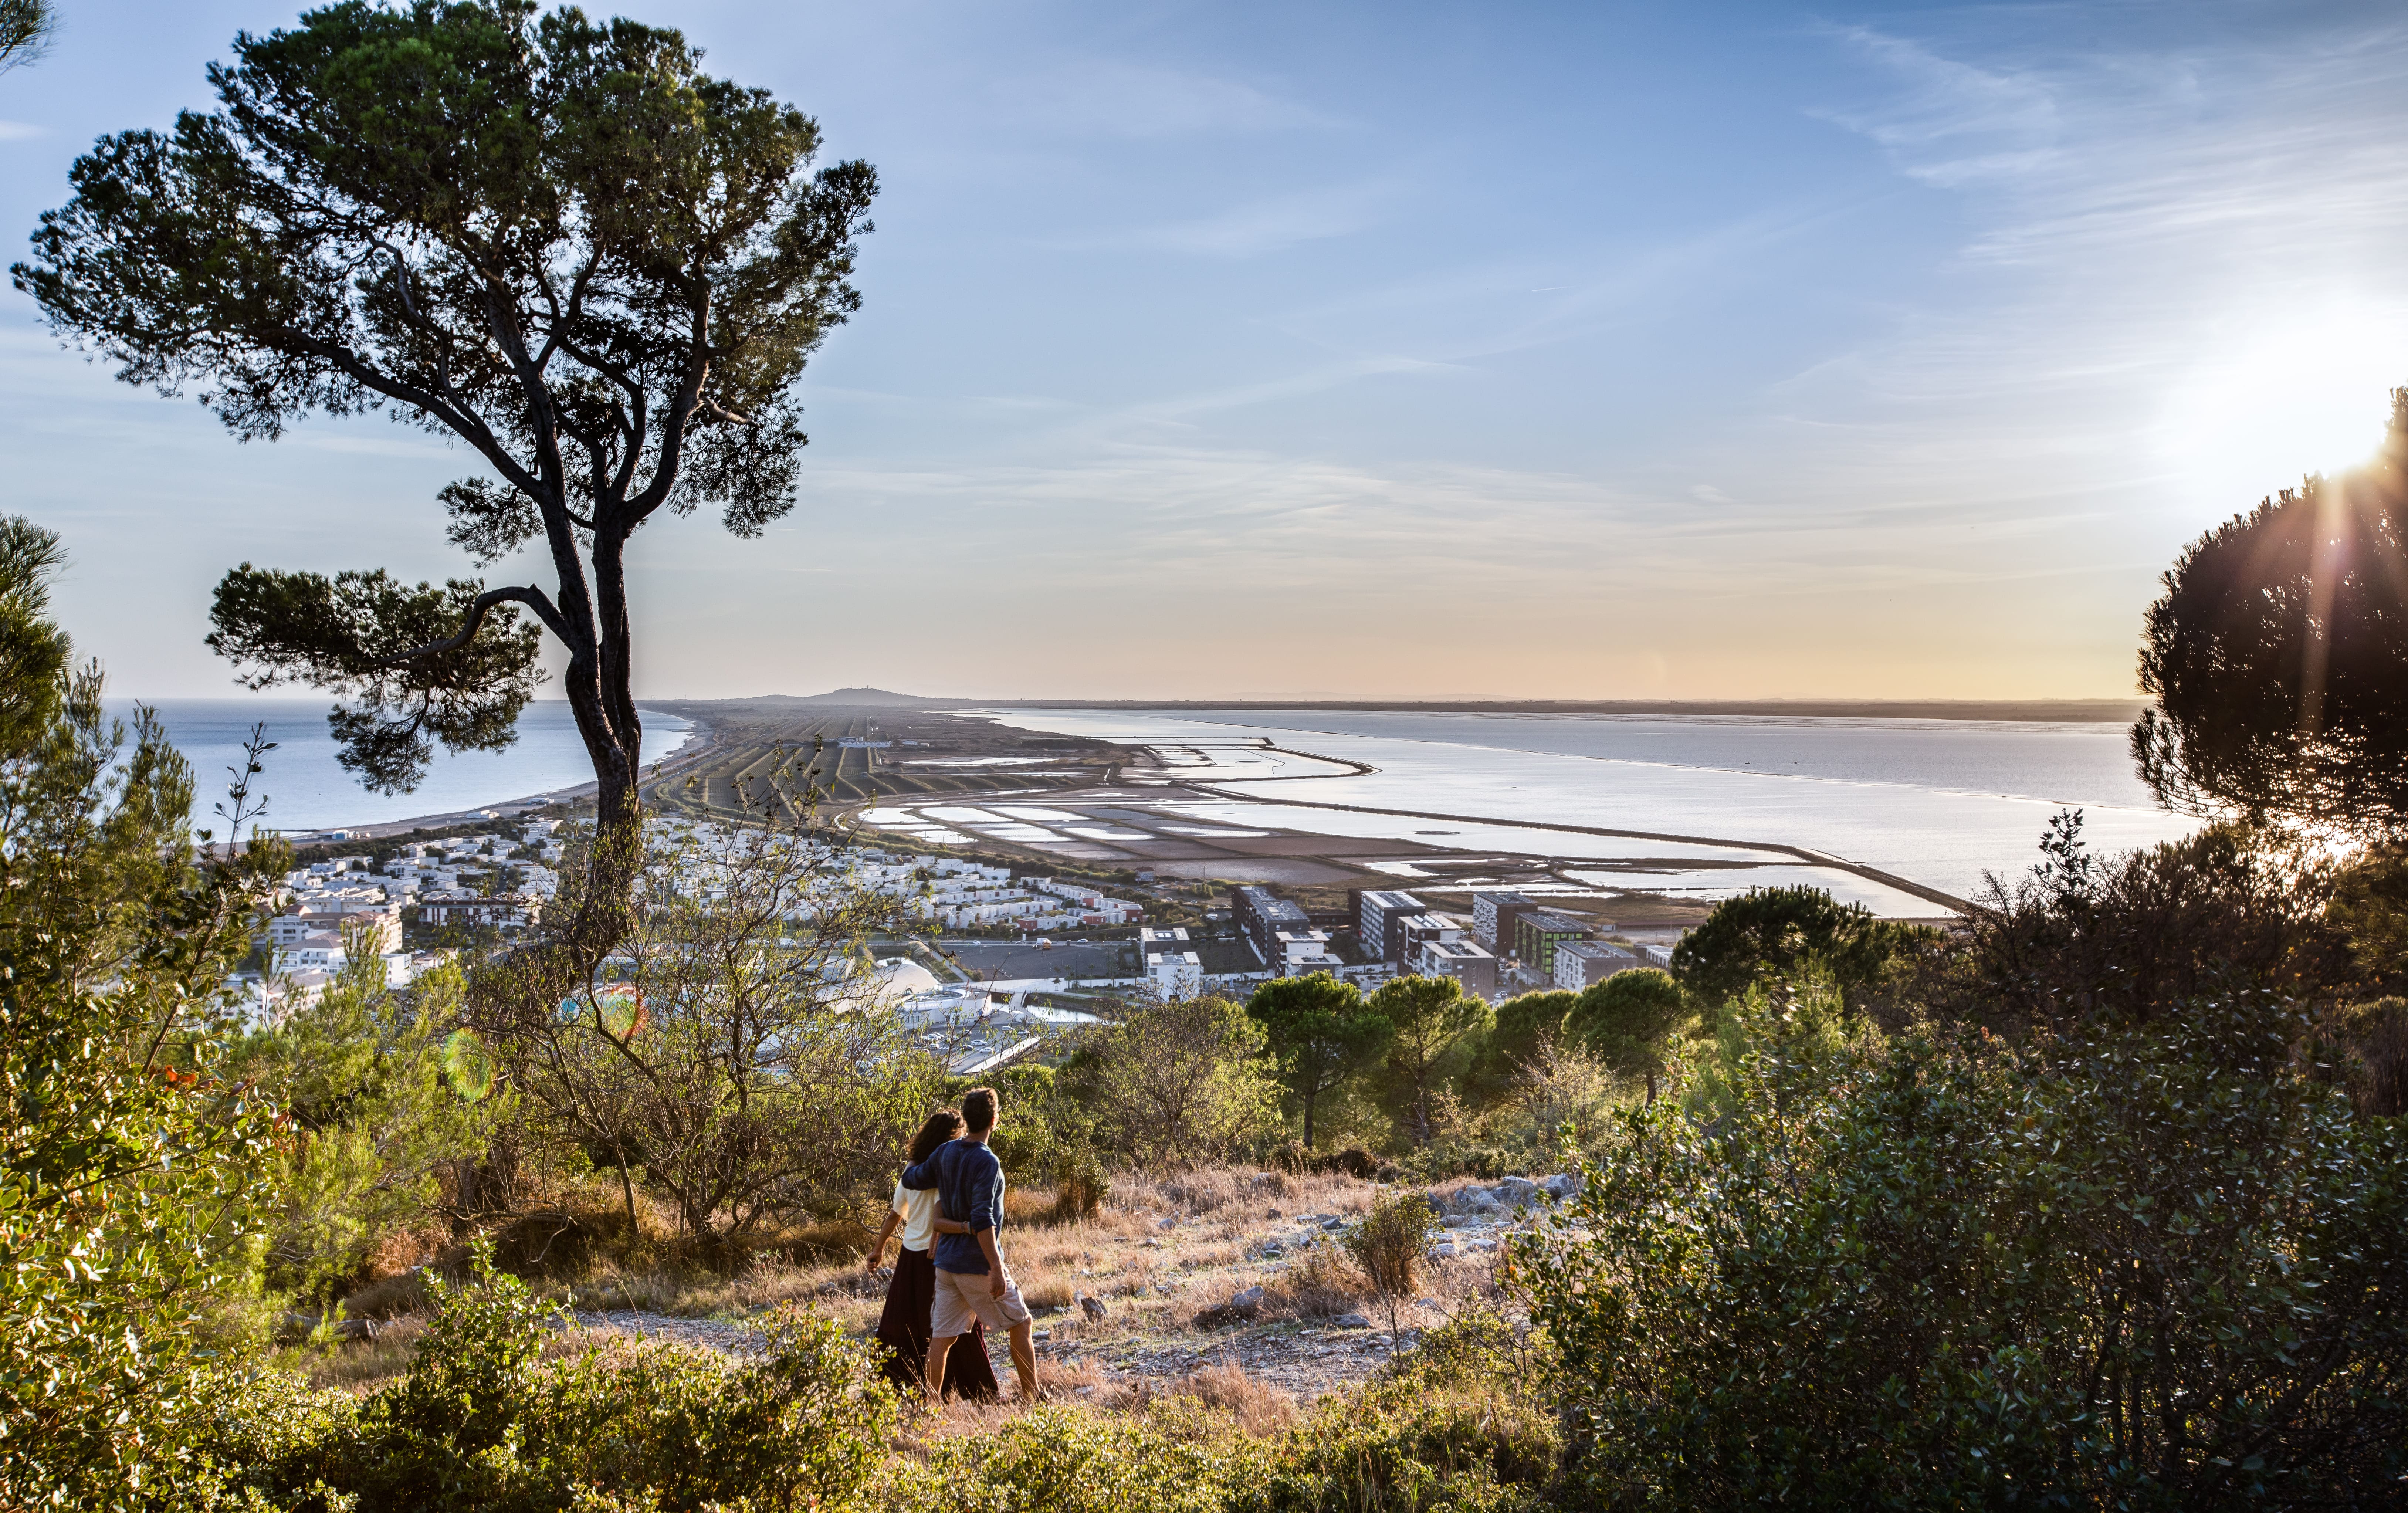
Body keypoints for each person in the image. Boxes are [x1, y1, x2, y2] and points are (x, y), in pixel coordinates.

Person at [900, 1084, 1040, 1403]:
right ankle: (1032, 1398)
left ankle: (932, 1403)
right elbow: (982, 1220)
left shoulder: (945, 1152)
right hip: (974, 1264)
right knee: (1021, 1322)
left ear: (966, 1118)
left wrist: (916, 1154)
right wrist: (995, 1268)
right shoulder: (987, 1162)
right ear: (994, 1120)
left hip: (946, 1266)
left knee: (942, 1337)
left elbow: (912, 1179)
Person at [867, 1109, 1000, 1402]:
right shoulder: (945, 1169)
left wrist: (878, 1248)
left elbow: (894, 1215)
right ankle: (978, 1393)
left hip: (909, 1257)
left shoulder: (912, 1170)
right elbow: (941, 1212)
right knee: (955, 1325)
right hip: (939, 1256)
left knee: (902, 1324)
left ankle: (894, 1394)